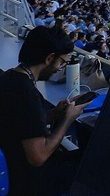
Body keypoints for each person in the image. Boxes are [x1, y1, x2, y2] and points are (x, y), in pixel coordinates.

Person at [0, 26, 89, 195]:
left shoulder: (9, 77)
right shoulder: (26, 95)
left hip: (11, 159)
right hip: (22, 179)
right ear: (49, 58)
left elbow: (23, 124)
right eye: (62, 62)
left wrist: (54, 114)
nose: (60, 68)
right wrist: (67, 120)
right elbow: (38, 157)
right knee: (84, 162)